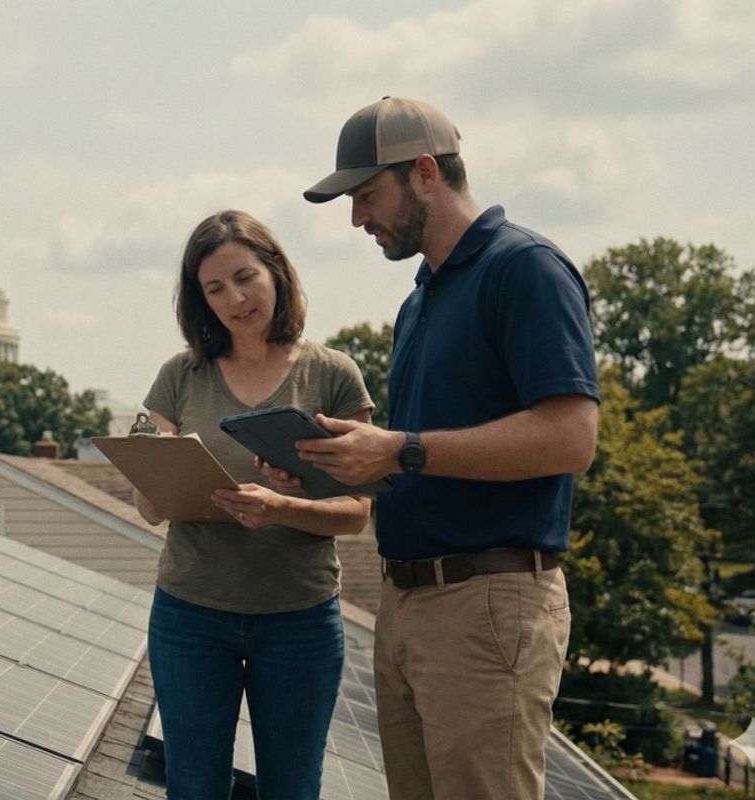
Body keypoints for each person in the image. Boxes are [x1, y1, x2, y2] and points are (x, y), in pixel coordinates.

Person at [272, 96, 600, 798]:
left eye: (366, 195)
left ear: (424, 172)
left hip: (487, 605)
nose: (356, 219)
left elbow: (571, 438)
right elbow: (418, 453)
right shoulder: (420, 299)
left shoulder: (526, 268)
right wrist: (332, 468)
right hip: (406, 605)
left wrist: (401, 450)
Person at [135, 209, 375, 799]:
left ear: (276, 271)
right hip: (190, 614)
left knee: (292, 787)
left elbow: (357, 514)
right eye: (215, 288)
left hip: (299, 617)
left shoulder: (334, 375)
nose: (235, 299)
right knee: (193, 786)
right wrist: (155, 467)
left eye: (245, 278)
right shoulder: (181, 375)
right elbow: (148, 508)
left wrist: (281, 508)